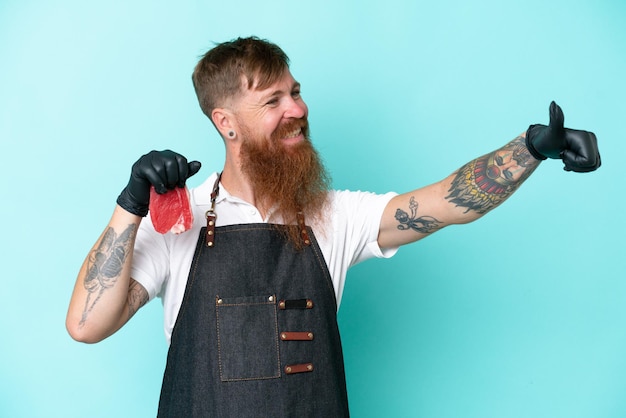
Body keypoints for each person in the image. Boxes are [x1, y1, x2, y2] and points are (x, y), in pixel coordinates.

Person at [66, 36, 601, 417]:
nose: (297, 109)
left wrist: (532, 148)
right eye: (272, 100)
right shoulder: (176, 221)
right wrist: (131, 204)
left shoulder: (334, 214)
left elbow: (446, 202)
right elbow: (86, 326)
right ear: (225, 122)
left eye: (295, 92)